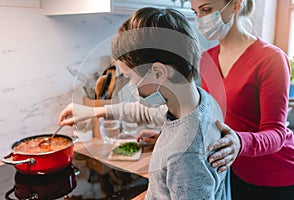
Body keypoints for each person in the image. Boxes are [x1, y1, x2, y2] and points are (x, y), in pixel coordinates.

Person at [61, 7, 228, 199]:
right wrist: (91, 111)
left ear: (158, 73)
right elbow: (146, 113)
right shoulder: (199, 101)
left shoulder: (185, 155)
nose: (132, 85)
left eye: (131, 77)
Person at [189, 0, 294, 199]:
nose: (200, 19)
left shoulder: (270, 59)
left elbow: (276, 133)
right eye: (196, 12)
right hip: (237, 174)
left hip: (281, 178)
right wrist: (172, 134)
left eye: (207, 9)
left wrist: (239, 142)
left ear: (236, 5)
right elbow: (209, 119)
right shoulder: (206, 60)